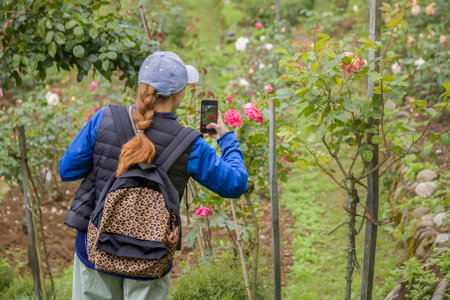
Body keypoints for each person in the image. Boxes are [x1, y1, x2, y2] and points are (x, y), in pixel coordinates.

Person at [59, 51, 248, 300]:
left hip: (96, 246)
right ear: (179, 94)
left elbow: (67, 170)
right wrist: (226, 137)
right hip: (150, 256)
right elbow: (235, 184)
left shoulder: (104, 118)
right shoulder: (189, 144)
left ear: (142, 86)